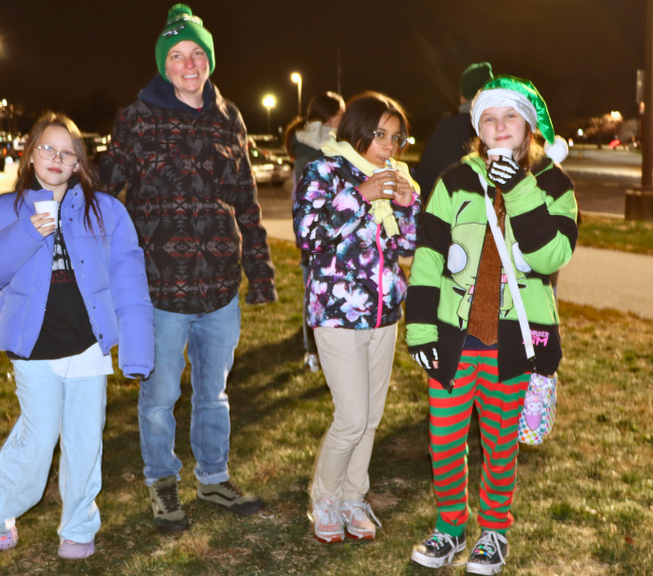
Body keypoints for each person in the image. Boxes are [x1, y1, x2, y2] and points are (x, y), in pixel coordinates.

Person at [98, 3, 277, 534]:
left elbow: (245, 200)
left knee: (214, 392)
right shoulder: (137, 117)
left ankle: (215, 477)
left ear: (210, 60)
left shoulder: (230, 118)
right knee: (159, 397)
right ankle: (161, 483)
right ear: (164, 64)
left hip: (219, 284)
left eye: (197, 53)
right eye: (177, 55)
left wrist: (259, 271)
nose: (189, 63)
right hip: (158, 289)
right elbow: (107, 190)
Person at [0, 112, 155, 560]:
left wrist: (138, 346)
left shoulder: (106, 210)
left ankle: (79, 527)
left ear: (78, 164)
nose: (56, 158)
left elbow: (128, 277)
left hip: (88, 348)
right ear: (30, 155)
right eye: (47, 148)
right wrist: (25, 234)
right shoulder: (3, 210)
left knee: (87, 441)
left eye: (67, 152)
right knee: (38, 438)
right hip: (34, 352)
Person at [405, 76, 575, 574]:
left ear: (528, 126)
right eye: (489, 119)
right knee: (445, 440)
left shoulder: (554, 184)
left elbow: (551, 256)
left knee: (500, 441)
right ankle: (451, 527)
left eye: (510, 117)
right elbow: (429, 258)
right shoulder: (455, 180)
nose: (499, 126)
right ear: (477, 127)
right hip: (453, 339)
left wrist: (518, 189)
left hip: (513, 342)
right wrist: (420, 329)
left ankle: (494, 531)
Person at [293, 91, 420, 543]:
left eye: (396, 137)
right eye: (379, 134)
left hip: (385, 313)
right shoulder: (324, 170)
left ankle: (353, 495)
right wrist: (359, 196)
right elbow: (310, 237)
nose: (388, 145)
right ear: (358, 130)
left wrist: (406, 205)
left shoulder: (397, 176)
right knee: (350, 416)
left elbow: (408, 246)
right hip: (338, 313)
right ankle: (323, 498)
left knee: (370, 417)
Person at [283, 91, 346, 373]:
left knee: (315, 295)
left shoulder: (302, 142)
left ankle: (317, 353)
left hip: (310, 234)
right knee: (320, 298)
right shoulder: (324, 146)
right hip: (328, 234)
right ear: (332, 117)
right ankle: (315, 353)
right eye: (343, 114)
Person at [415, 62, 494, 203]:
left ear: (462, 96)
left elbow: (425, 179)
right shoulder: (501, 127)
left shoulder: (447, 128)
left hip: (449, 213)